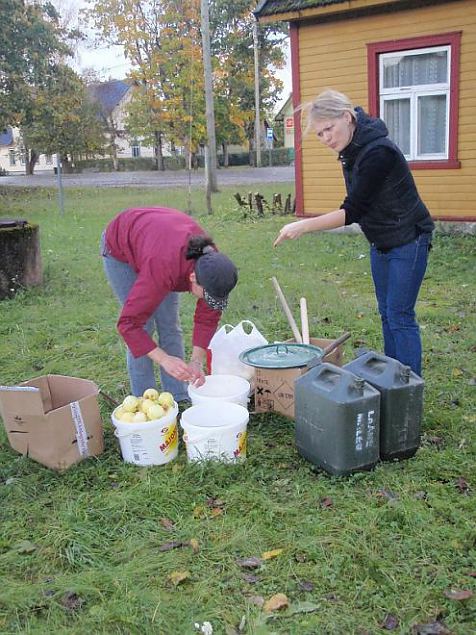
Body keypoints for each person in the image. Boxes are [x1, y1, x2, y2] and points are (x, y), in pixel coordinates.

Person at [274, 89, 434, 376]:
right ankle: (394, 376)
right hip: (381, 241)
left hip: (409, 238)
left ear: (347, 117)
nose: (326, 139)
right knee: (387, 313)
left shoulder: (378, 152)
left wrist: (302, 226)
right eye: (320, 134)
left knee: (400, 316)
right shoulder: (352, 149)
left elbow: (353, 210)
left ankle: (409, 388)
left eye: (329, 129)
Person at [101, 206, 238, 401]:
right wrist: (164, 359)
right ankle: (145, 400)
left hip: (157, 243)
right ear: (192, 277)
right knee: (144, 326)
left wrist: (196, 362)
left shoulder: (213, 268)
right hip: (121, 246)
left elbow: (208, 317)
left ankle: (177, 395)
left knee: (169, 325)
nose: (210, 302)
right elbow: (129, 324)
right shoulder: (163, 267)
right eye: (208, 296)